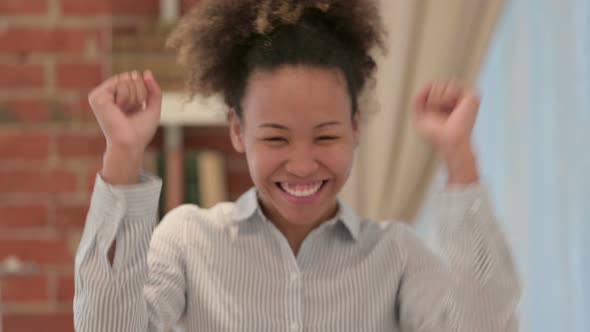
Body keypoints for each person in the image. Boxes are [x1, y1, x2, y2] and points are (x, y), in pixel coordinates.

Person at [74, 0, 521, 331]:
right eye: (275, 137)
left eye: (326, 136)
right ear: (237, 130)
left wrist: (458, 156)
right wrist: (124, 153)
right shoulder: (189, 243)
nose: (303, 164)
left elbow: (487, 324)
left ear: (356, 126)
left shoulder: (395, 257)